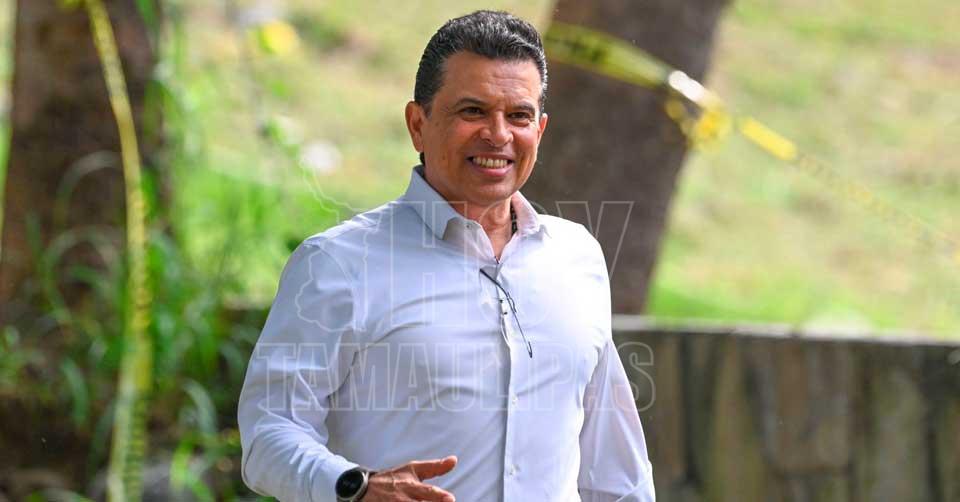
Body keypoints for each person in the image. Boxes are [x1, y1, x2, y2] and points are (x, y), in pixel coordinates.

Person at [238, 10, 655, 502]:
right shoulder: (337, 264)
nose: (498, 134)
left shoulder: (577, 258)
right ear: (418, 125)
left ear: (540, 130)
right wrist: (356, 487)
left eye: (518, 116)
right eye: (473, 111)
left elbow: (615, 470)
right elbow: (268, 433)